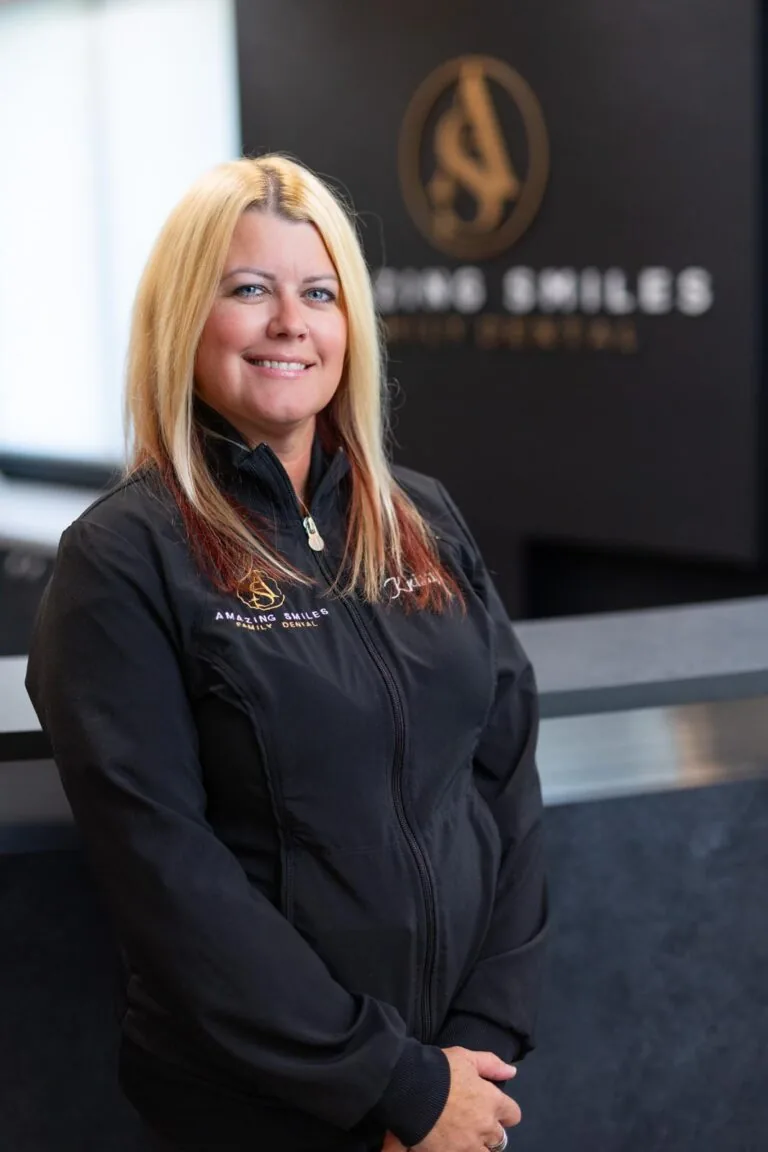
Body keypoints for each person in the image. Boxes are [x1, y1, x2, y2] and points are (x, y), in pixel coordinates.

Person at [25, 155, 548, 1152]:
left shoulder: (424, 519)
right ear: (183, 319)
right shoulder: (123, 557)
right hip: (261, 1109)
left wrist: (475, 1049)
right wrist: (394, 1085)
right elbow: (167, 875)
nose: (289, 324)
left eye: (318, 293)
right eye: (247, 290)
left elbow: (505, 777)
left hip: (459, 1090)